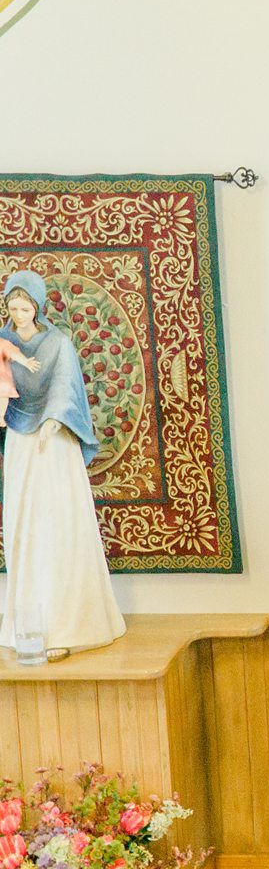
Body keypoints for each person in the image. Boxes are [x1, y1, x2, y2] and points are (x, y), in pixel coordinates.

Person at [0, 271, 124, 660]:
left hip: (53, 442)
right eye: (12, 307)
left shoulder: (58, 343)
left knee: (58, 523)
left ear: (37, 307)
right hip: (21, 438)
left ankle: (71, 622)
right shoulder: (4, 344)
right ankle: (29, 626)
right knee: (25, 523)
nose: (18, 314)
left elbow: (65, 387)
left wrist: (53, 420)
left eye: (25, 307)